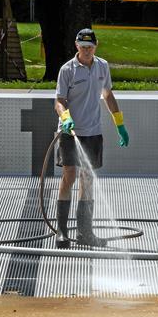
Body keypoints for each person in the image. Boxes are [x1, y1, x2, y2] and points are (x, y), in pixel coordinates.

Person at [54, 28, 130, 248]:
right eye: (83, 47)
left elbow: (108, 95)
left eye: (90, 47)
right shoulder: (67, 69)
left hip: (93, 132)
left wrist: (120, 124)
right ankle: (62, 231)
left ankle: (85, 232)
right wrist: (65, 117)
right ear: (77, 46)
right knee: (69, 176)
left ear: (96, 46)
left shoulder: (102, 66)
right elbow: (59, 100)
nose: (87, 51)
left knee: (88, 179)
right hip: (70, 132)